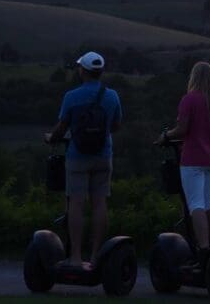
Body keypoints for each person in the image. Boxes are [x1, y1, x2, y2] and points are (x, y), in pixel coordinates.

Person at [45, 51, 122, 267]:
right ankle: (96, 256)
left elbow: (62, 128)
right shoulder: (112, 96)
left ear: (83, 71)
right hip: (103, 156)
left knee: (76, 204)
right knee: (99, 204)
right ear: (100, 72)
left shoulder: (71, 97)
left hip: (77, 156)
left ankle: (76, 257)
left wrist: (51, 138)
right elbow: (116, 126)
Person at [155, 62, 210, 266]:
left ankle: (203, 250)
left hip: (193, 159)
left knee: (195, 204)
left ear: (193, 78)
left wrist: (165, 135)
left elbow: (182, 129)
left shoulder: (189, 100)